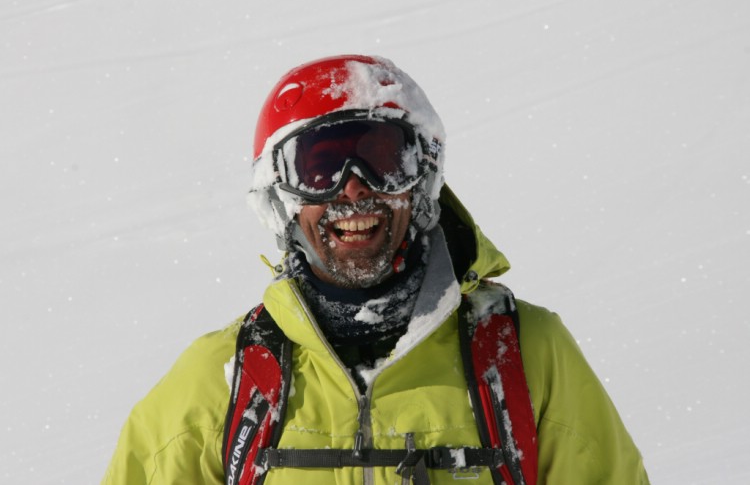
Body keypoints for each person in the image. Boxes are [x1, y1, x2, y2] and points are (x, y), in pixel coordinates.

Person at [103, 55, 649, 484]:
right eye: (316, 168)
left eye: (384, 158)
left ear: (422, 179)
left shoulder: (523, 357)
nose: (353, 187)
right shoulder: (223, 381)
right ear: (279, 198)